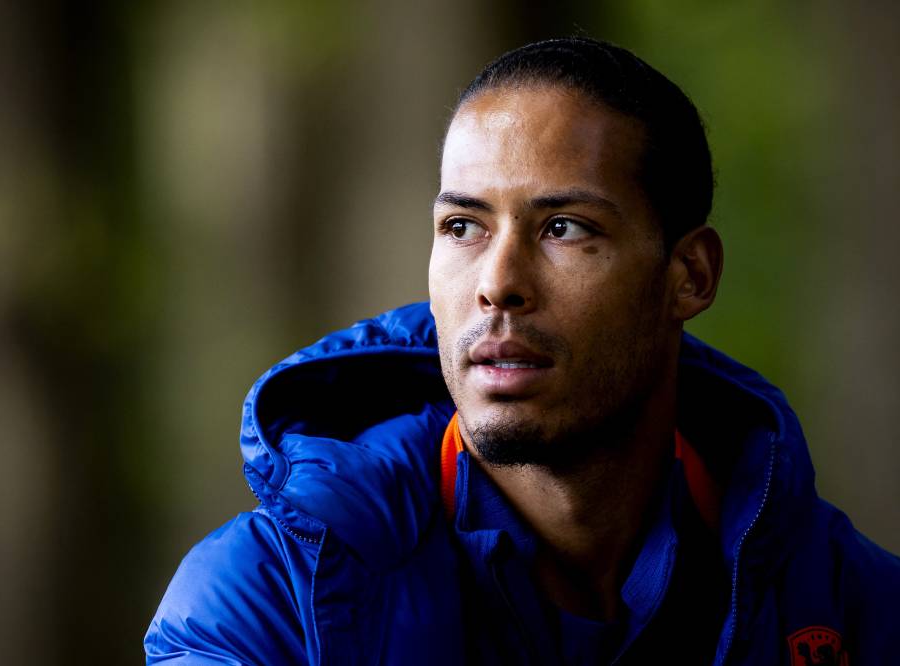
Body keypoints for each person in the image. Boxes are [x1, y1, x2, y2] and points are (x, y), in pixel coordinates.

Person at [145, 37, 899, 665]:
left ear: (689, 275)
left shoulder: (851, 608)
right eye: (463, 228)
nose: (497, 284)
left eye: (565, 227)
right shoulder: (267, 595)